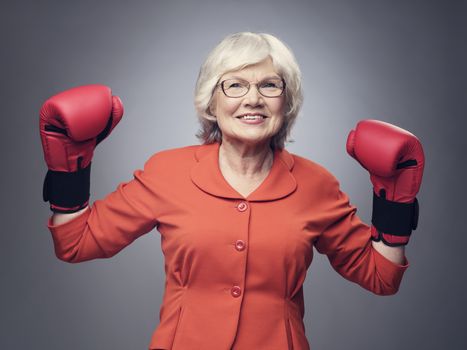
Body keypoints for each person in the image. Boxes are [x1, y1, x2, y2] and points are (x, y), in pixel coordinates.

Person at [40, 32, 425, 350]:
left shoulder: (316, 185)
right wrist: (71, 168)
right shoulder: (167, 171)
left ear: (286, 101)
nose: (253, 99)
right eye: (235, 85)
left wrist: (392, 201)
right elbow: (77, 243)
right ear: (213, 99)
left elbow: (381, 277)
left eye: (269, 85)